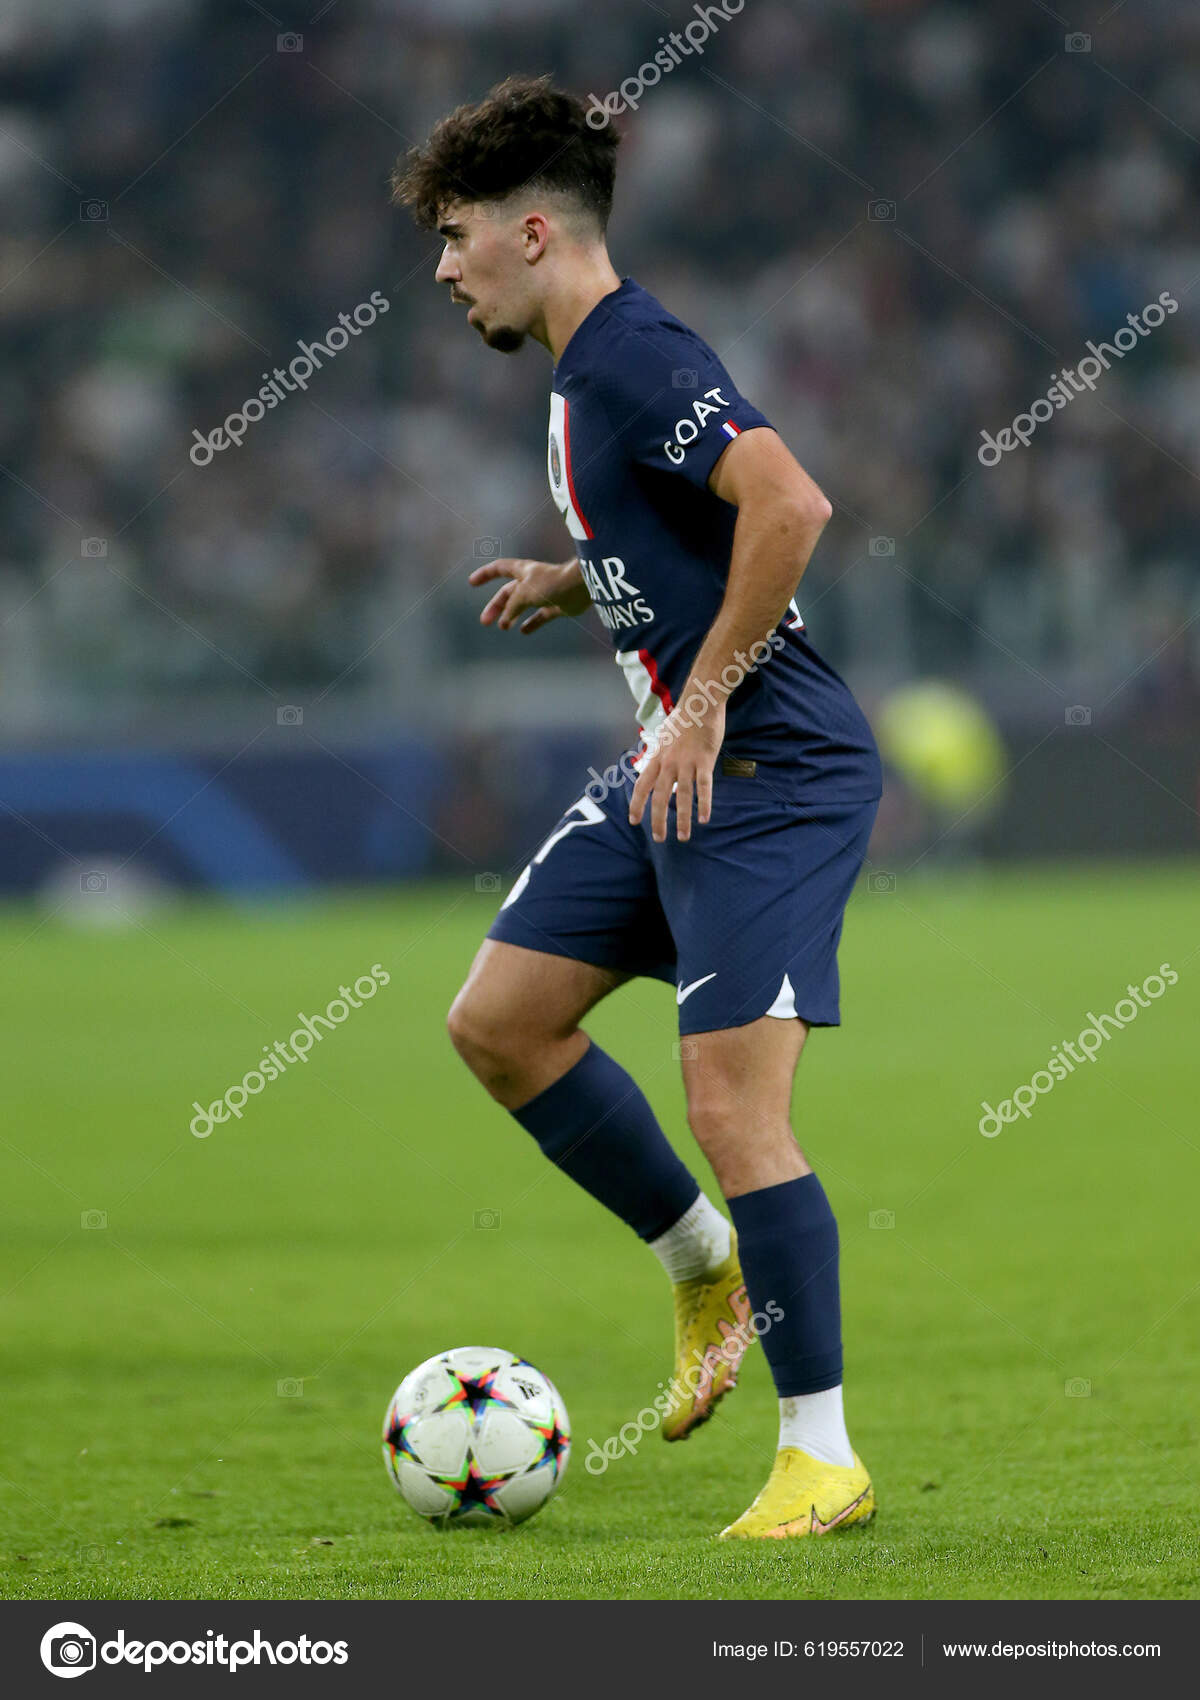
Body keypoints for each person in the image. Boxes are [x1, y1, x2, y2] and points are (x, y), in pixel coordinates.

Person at [392, 74, 882, 1539]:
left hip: (766, 768)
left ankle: (822, 1457)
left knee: (737, 1115)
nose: (441, 266)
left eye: (458, 234)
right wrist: (583, 577)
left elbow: (791, 507)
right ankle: (702, 1269)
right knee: (499, 1022)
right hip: (682, 759)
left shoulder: (631, 355)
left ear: (533, 231)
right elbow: (691, 520)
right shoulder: (587, 367)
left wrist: (709, 696)